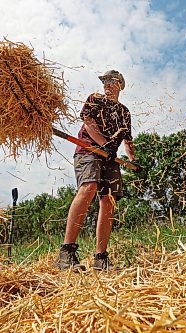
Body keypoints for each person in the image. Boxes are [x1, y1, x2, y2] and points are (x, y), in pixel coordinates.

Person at [56, 70, 140, 271]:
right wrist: (104, 145)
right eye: (105, 81)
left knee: (109, 201)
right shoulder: (95, 99)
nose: (107, 84)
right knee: (89, 187)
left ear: (120, 84)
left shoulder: (124, 112)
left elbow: (128, 141)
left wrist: (134, 160)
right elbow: (89, 123)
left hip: (110, 157)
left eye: (112, 81)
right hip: (89, 150)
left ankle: (100, 258)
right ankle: (66, 253)